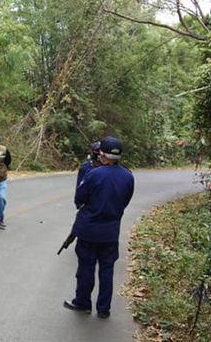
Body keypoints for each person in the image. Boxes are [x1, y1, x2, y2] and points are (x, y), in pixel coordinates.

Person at [64, 136, 135, 318]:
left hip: (89, 231)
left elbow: (79, 199)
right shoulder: (128, 176)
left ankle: (83, 303)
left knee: (86, 267)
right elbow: (124, 202)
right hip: (111, 231)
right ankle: (104, 309)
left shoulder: (93, 174)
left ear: (102, 154)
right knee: (107, 270)